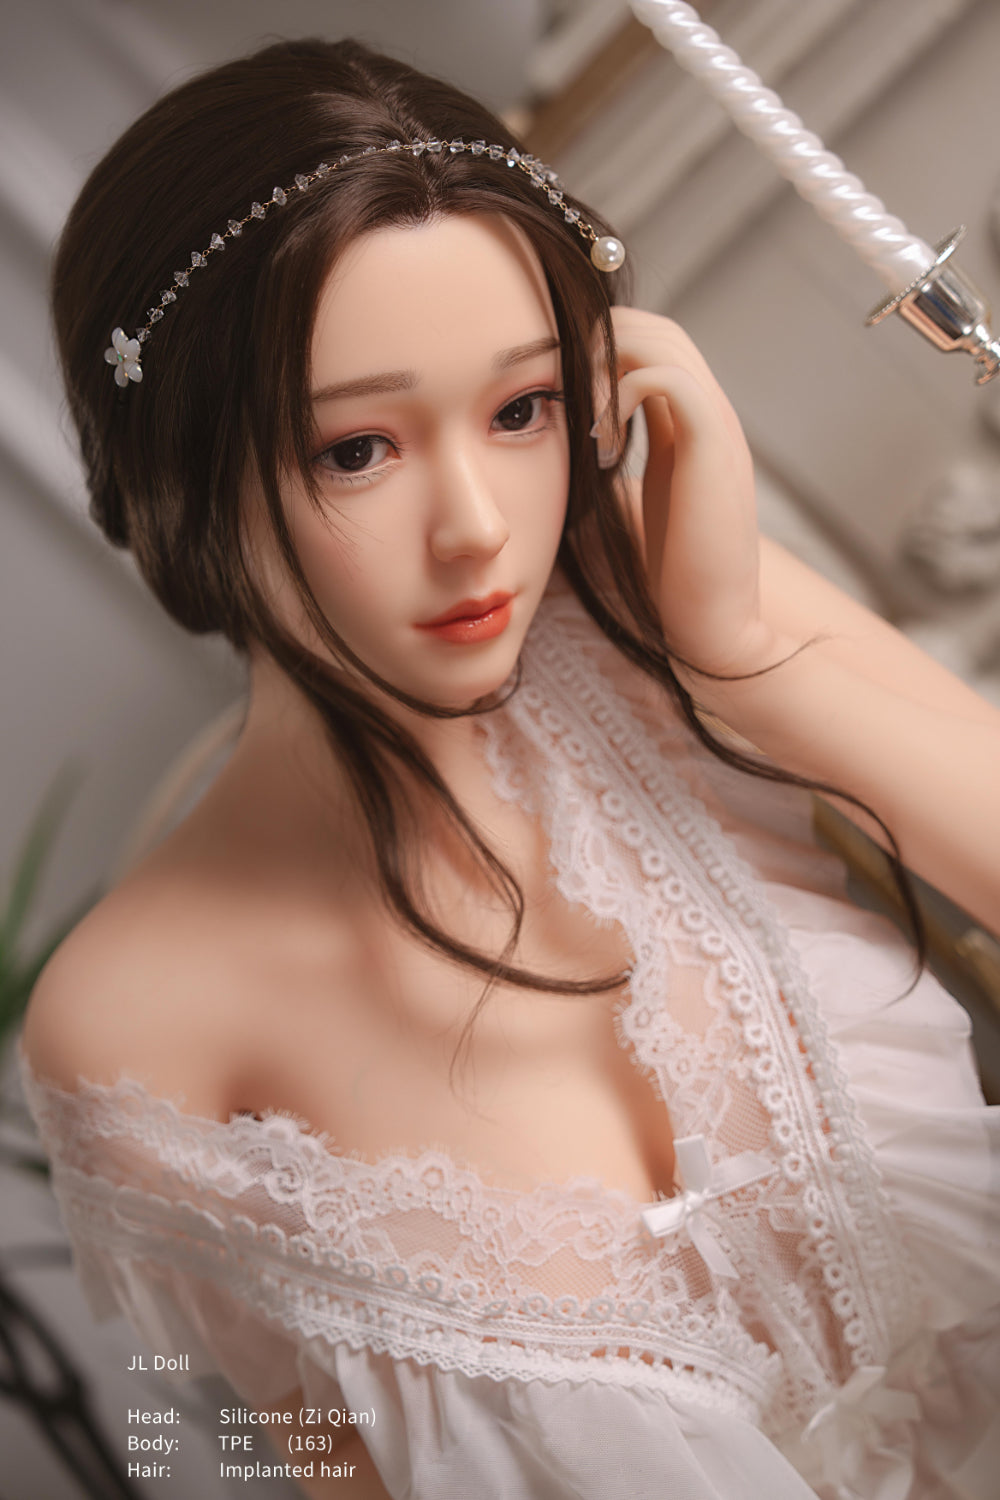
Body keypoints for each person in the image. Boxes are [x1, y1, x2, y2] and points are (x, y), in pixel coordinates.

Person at [20, 35, 1000, 1500]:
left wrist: (747, 658)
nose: (478, 525)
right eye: (356, 449)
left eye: (522, 408)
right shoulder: (128, 1029)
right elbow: (284, 1453)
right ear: (180, 476)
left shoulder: (663, 611)